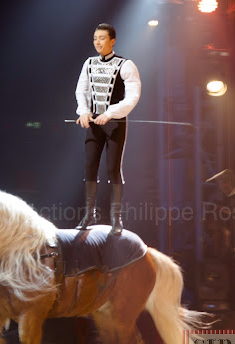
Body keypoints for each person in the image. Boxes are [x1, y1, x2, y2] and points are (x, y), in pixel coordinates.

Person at [75, 23, 141, 235]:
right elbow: (81, 90)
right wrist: (84, 111)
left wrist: (110, 113)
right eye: (95, 38)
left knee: (113, 169)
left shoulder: (126, 64)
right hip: (94, 122)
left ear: (112, 41)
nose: (97, 42)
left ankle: (116, 217)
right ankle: (89, 213)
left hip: (114, 123)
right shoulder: (89, 63)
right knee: (90, 168)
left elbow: (132, 96)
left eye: (102, 38)